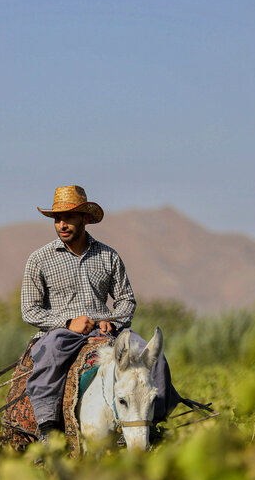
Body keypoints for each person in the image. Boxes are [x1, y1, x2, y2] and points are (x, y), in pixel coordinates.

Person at [20, 185, 180, 440]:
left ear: (85, 218)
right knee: (50, 354)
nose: (62, 224)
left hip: (105, 327)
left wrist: (113, 322)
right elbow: (29, 310)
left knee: (153, 356)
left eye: (69, 217)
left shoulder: (108, 256)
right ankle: (49, 428)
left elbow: (126, 299)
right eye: (57, 219)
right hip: (61, 332)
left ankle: (154, 421)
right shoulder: (39, 259)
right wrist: (67, 322)